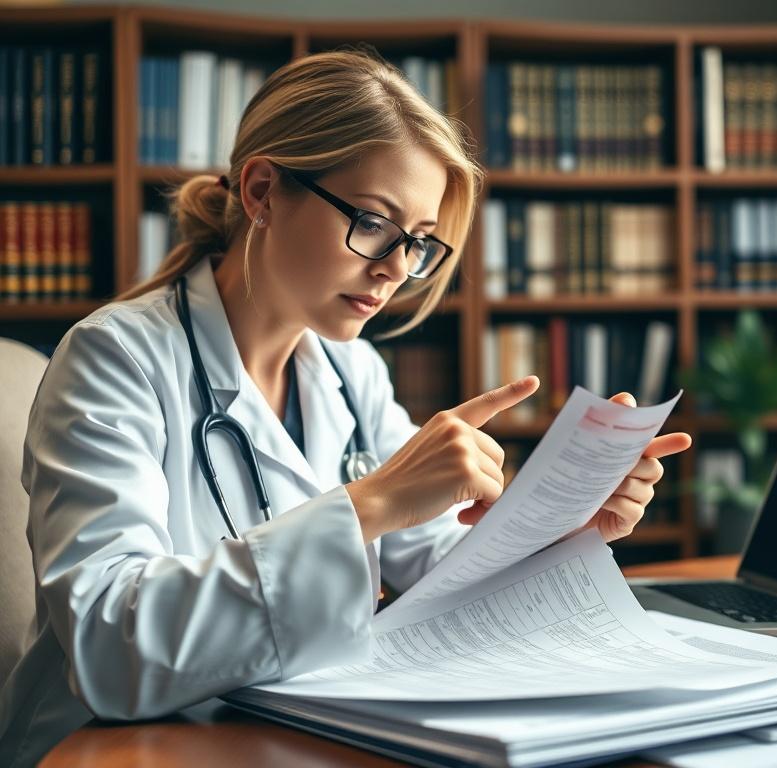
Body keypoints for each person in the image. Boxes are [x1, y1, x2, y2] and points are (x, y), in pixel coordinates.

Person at [0, 49, 691, 766]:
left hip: (276, 734)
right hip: (110, 750)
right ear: (263, 191)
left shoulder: (349, 368)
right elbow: (107, 648)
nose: (395, 267)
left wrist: (568, 529)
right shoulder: (116, 358)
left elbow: (442, 572)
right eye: (372, 222)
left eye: (418, 242)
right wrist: (371, 504)